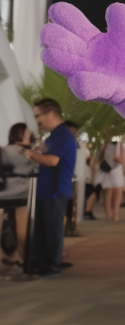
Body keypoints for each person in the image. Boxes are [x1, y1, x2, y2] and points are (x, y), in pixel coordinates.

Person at [23, 99, 78, 278]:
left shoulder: (62, 135)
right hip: (45, 190)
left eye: (37, 115)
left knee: (52, 229)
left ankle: (53, 265)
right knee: (42, 229)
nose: (36, 120)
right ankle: (42, 261)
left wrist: (32, 155)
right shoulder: (54, 135)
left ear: (51, 114)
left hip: (55, 190)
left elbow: (52, 160)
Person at [1, 123, 37, 271]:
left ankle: (4, 256)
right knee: (23, 228)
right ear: (21, 135)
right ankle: (23, 257)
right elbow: (36, 168)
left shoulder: (3, 150)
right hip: (22, 192)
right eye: (28, 134)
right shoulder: (27, 153)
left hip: (2, 192)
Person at [97, 136, 125, 222]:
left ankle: (108, 216)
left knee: (108, 192)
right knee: (118, 193)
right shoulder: (119, 144)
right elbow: (120, 158)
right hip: (117, 169)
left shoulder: (106, 145)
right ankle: (116, 216)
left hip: (106, 169)